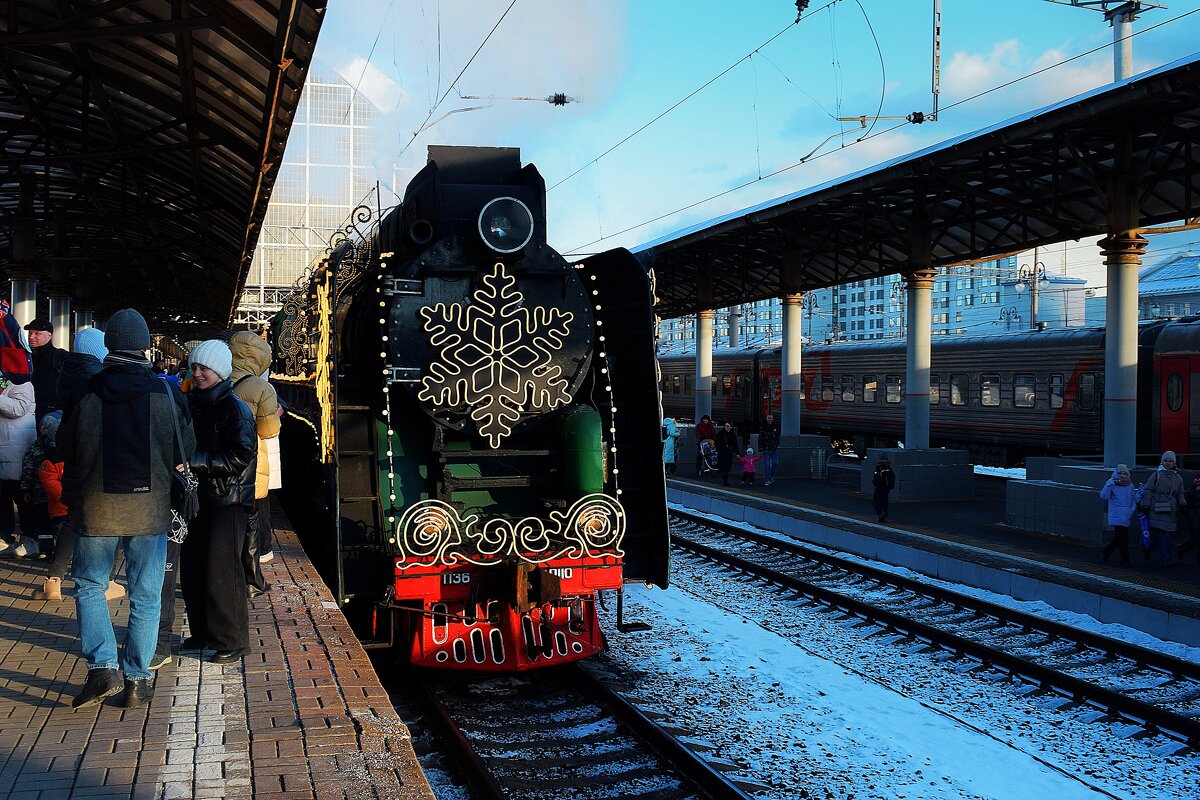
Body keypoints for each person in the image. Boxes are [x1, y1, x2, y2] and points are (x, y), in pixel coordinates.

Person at [59, 308, 195, 709]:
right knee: (146, 595)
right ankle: (137, 679)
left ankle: (102, 669)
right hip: (149, 510)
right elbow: (183, 448)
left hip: (97, 509)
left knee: (89, 585)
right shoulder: (167, 393)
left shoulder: (85, 392)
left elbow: (65, 447)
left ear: (109, 345)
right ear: (144, 345)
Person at [180, 340, 257, 664]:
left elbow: (241, 455)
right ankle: (203, 632)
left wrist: (196, 462)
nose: (197, 374)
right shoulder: (196, 402)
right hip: (202, 497)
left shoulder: (234, 408)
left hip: (228, 500)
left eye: (204, 369)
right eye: (194, 367)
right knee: (194, 569)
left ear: (221, 371)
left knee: (222, 573)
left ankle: (233, 640)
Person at [228, 331, 280, 596]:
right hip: (250, 462)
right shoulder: (261, 387)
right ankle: (251, 580)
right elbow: (270, 430)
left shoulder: (216, 377)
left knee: (224, 521)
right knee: (250, 520)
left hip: (219, 463)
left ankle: (225, 574)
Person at [0, 365, 37, 558]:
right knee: (4, 495)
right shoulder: (5, 380)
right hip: (6, 448)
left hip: (17, 450)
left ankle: (29, 538)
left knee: (21, 496)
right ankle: (5, 537)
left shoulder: (23, 382)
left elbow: (19, 408)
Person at [1138, 450, 1185, 565]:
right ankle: (1166, 560)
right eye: (1165, 460)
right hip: (1157, 507)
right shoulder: (1156, 475)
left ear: (1174, 463)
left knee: (1161, 536)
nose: (1168, 463)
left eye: (1170, 461)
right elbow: (1148, 490)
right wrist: (1146, 505)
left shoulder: (1177, 478)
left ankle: (1150, 550)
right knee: (1164, 535)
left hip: (1170, 509)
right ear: (1162, 462)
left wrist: (1183, 503)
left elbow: (1180, 493)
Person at [25, 317, 66, 423]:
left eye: (37, 333)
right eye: (30, 333)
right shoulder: (25, 358)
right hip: (27, 414)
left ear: (49, 335)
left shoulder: (60, 357)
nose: (31, 336)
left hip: (51, 416)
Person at [1100, 464, 1136, 566]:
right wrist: (1108, 484)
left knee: (1119, 538)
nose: (1122, 475)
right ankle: (1125, 560)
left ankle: (1107, 550)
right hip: (1116, 516)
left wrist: (1132, 509)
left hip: (1126, 515)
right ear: (1116, 474)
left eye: (1125, 473)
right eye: (1120, 473)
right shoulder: (1112, 485)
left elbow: (1133, 499)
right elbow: (1103, 496)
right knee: (1124, 538)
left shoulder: (1130, 485)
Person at [872, 454, 896, 523]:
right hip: (887, 488)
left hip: (879, 487)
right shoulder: (889, 467)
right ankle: (884, 515)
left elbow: (876, 478)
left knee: (875, 500)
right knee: (885, 501)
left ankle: (880, 513)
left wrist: (875, 483)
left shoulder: (879, 467)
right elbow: (893, 477)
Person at [1181, 475, 1200, 562]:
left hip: (1193, 515)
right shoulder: (1192, 495)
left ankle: (1182, 550)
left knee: (1195, 540)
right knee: (1196, 539)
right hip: (1195, 515)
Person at [759, 413, 780, 486]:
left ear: (773, 419)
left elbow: (778, 436)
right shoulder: (763, 427)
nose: (770, 419)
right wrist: (761, 449)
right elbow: (760, 438)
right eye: (768, 418)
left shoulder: (776, 426)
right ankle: (767, 479)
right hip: (766, 448)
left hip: (774, 448)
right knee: (767, 465)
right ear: (766, 418)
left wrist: (777, 444)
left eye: (771, 418)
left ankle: (771, 476)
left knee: (775, 463)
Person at [714, 421, 738, 486]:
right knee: (724, 466)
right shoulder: (720, 433)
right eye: (725, 426)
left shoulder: (733, 435)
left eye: (728, 426)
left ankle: (724, 476)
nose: (726, 427)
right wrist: (719, 448)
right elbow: (716, 442)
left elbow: (735, 444)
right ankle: (725, 480)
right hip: (722, 452)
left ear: (731, 427)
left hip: (729, 452)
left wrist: (737, 453)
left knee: (727, 466)